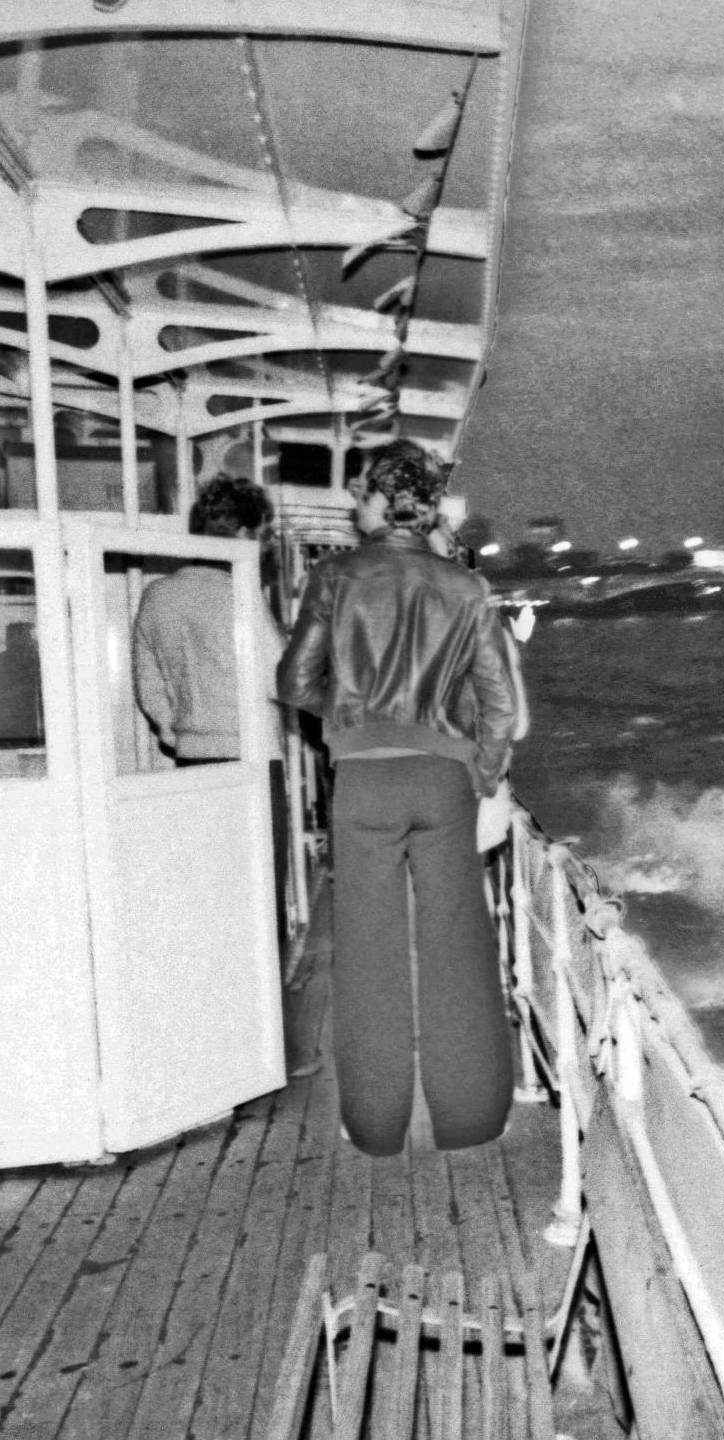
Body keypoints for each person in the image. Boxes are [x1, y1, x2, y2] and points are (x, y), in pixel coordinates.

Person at [276, 439, 525, 1156]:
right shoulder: (465, 587)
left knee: (368, 954)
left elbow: (294, 682)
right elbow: (498, 707)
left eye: (360, 496)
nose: (355, 508)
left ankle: (379, 1126)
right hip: (443, 776)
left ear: (384, 499)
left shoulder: (335, 576)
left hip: (362, 778)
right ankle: (469, 1120)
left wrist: (350, 719)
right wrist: (482, 774)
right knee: (457, 948)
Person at [132, 476, 286, 765]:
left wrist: (174, 731)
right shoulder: (240, 591)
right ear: (243, 534)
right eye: (263, 536)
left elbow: (148, 685)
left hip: (190, 753)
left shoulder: (155, 594)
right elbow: (276, 679)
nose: (267, 546)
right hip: (252, 751)